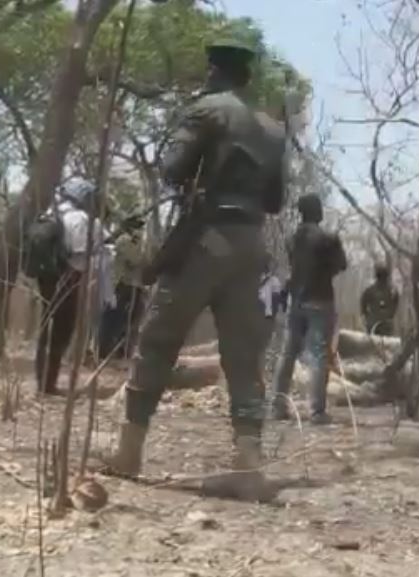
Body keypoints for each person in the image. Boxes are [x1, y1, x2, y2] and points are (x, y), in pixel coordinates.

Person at [102, 39, 286, 502]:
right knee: (244, 357)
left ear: (213, 71)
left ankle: (129, 452)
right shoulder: (272, 128)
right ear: (247, 77)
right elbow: (277, 201)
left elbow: (171, 170)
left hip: (207, 238)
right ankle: (249, 464)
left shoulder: (206, 110)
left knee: (158, 339)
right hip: (252, 243)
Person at [270, 193, 347, 425]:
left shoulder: (292, 239)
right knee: (318, 356)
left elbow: (295, 268)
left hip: (296, 301)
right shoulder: (327, 239)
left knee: (287, 354)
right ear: (315, 211)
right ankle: (316, 411)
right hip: (320, 300)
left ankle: (277, 407)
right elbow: (341, 265)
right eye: (320, 206)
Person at [35, 178, 104, 396]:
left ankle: (43, 382)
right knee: (62, 331)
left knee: (46, 329)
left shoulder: (50, 214)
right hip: (68, 278)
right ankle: (50, 385)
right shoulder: (81, 219)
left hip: (46, 279)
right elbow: (81, 252)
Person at [98, 218, 147, 360]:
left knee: (131, 321)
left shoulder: (138, 243)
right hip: (122, 285)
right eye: (138, 227)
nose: (141, 231)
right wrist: (143, 248)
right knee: (114, 319)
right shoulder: (124, 240)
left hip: (135, 286)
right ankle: (104, 352)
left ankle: (122, 352)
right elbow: (136, 260)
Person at [360, 262, 399, 336]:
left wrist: (366, 315)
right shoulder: (371, 290)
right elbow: (363, 303)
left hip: (381, 322)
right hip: (377, 322)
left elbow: (363, 303)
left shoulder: (391, 290)